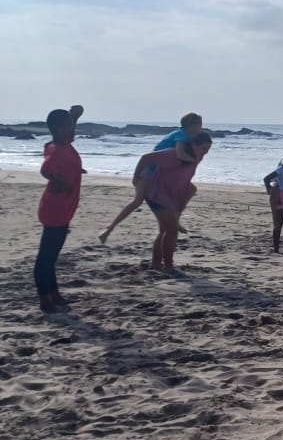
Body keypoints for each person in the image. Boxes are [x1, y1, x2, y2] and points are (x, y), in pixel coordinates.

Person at [97, 112, 202, 243]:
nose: (200, 129)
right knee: (137, 201)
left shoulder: (182, 134)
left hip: (160, 172)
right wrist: (194, 160)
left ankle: (176, 219)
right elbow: (180, 154)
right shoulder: (181, 135)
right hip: (149, 170)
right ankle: (109, 229)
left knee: (190, 189)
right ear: (191, 125)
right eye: (199, 125)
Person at [134, 131, 213, 273]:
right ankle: (168, 265)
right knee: (171, 230)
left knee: (165, 230)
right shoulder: (174, 155)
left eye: (208, 149)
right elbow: (146, 158)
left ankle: (156, 264)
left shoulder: (196, 157)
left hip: (171, 196)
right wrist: (136, 178)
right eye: (203, 148)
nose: (205, 153)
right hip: (156, 195)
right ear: (193, 145)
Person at [35, 104, 85, 313]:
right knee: (46, 257)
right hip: (55, 208)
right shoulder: (57, 149)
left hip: (64, 207)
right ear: (59, 128)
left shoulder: (64, 142)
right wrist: (58, 179)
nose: (73, 129)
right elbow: (45, 168)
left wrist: (75, 115)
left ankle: (54, 293)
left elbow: (67, 129)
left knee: (52, 256)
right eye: (68, 126)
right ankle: (45, 299)